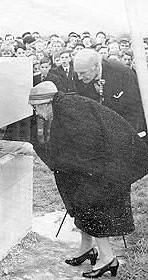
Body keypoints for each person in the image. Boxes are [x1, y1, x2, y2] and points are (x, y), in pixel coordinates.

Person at [17, 81, 148, 278]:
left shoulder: (69, 112)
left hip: (105, 170)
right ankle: (87, 248)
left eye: (36, 108)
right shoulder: (66, 106)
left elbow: (74, 150)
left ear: (45, 103)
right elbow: (68, 148)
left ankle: (108, 258)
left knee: (92, 205)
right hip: (99, 165)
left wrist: (37, 150)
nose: (37, 114)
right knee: (79, 197)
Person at [73, 48, 146, 134]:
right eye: (77, 73)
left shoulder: (123, 73)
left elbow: (135, 106)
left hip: (124, 123)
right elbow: (85, 105)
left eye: (83, 73)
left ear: (96, 67)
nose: (79, 77)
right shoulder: (78, 74)